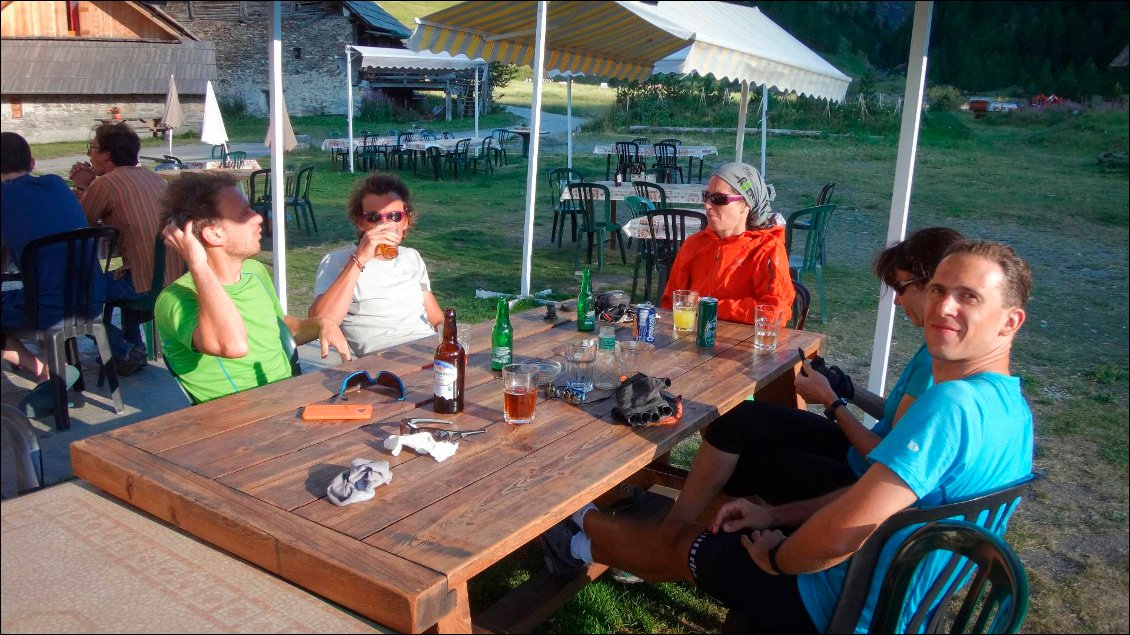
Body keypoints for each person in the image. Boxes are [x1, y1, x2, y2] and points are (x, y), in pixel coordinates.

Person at [542, 239, 1034, 633]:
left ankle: (572, 528)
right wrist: (775, 515)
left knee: (689, 543)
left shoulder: (954, 405)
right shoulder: (1013, 408)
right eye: (939, 289)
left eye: (968, 296)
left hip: (845, 609)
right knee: (741, 481)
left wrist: (778, 558)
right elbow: (877, 499)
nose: (942, 305)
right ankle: (581, 532)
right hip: (909, 605)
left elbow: (844, 531)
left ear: (1010, 321)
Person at [665, 227, 965, 525]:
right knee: (736, 419)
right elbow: (897, 417)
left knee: (748, 460)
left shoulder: (935, 363)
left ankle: (686, 540)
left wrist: (831, 401)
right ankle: (681, 529)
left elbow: (884, 458)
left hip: (862, 479)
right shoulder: (933, 351)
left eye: (901, 287)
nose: (897, 300)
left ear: (935, 284)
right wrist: (849, 389)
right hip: (861, 457)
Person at [155, 172, 351, 404]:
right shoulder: (174, 299)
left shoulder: (254, 271)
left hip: (290, 401)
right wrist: (197, 264)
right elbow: (233, 345)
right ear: (214, 234)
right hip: (237, 426)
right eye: (244, 214)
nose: (258, 217)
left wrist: (320, 324)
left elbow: (278, 327)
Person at [69, 123, 185, 375]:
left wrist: (82, 187)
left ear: (107, 155)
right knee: (122, 269)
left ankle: (122, 349)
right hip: (172, 276)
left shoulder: (106, 184)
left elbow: (79, 227)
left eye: (93, 149)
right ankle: (135, 346)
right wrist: (92, 185)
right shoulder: (154, 177)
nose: (90, 155)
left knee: (71, 296)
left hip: (142, 282)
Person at [1, 131, 87, 416]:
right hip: (91, 297)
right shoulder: (56, 185)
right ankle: (55, 372)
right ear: (33, 163)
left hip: (46, 307)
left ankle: (44, 373)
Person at [309, 173, 442, 357]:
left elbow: (436, 318)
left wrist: (453, 340)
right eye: (373, 217)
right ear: (360, 222)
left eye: (394, 216)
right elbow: (319, 321)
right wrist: (359, 259)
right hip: (384, 360)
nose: (384, 224)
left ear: (405, 221)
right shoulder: (337, 261)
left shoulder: (411, 257)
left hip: (427, 350)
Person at [659, 162, 794, 325]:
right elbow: (670, 303)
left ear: (745, 205)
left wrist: (709, 307)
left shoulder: (767, 249)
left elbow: (775, 312)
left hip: (741, 344)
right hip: (690, 340)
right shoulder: (693, 244)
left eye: (718, 199)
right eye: (706, 196)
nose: (707, 205)